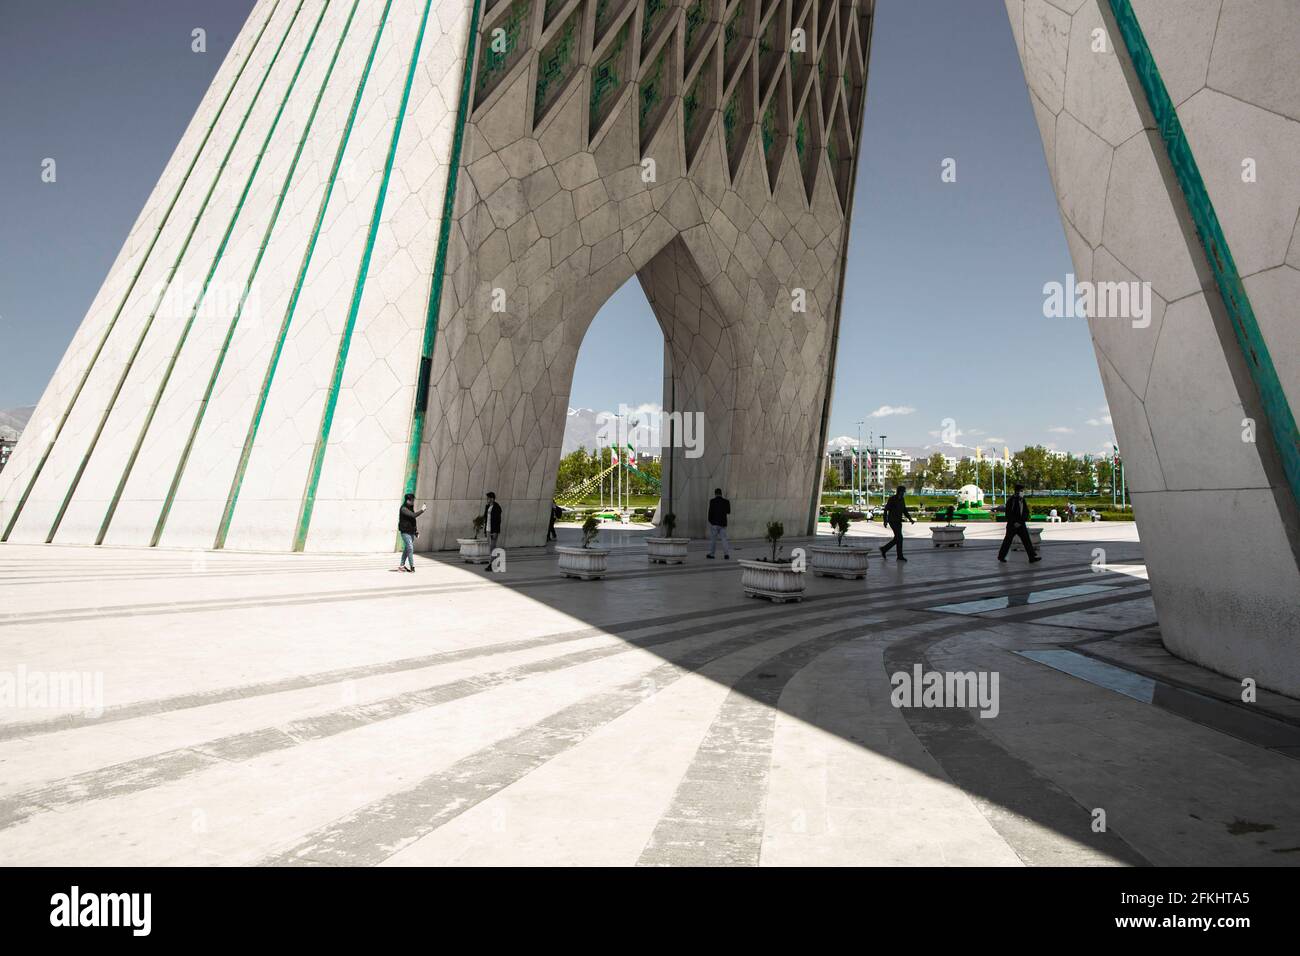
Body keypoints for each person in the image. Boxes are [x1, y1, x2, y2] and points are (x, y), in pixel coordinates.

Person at [998, 483, 1041, 563]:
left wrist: (1021, 521)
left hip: (1021, 525)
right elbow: (1009, 513)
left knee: (1026, 540)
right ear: (1017, 491)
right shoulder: (1011, 500)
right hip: (1012, 525)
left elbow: (1025, 512)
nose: (1023, 492)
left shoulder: (1022, 500)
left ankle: (1032, 557)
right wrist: (1014, 522)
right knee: (1007, 541)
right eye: (1021, 490)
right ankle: (1001, 556)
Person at [879, 485, 914, 561]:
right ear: (899, 491)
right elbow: (886, 510)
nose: (903, 493)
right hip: (892, 521)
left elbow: (904, 510)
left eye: (904, 492)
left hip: (898, 521)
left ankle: (884, 549)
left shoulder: (902, 499)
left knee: (898, 538)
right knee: (899, 538)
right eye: (902, 492)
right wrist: (885, 520)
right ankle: (899, 555)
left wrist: (910, 518)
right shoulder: (892, 499)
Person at [397, 493, 424, 573]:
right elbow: (413, 516)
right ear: (408, 500)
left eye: (413, 501)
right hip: (405, 532)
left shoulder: (410, 507)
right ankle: (412, 566)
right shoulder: (403, 508)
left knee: (407, 549)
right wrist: (422, 510)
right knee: (410, 548)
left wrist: (416, 531)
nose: (413, 502)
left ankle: (401, 566)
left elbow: (413, 520)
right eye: (412, 501)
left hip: (411, 531)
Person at [706, 488, 731, 559]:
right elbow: (728, 511)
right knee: (724, 539)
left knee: (713, 540)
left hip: (714, 523)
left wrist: (710, 521)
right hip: (723, 523)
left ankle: (712, 554)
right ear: (721, 493)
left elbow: (710, 512)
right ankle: (726, 554)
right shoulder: (726, 501)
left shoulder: (712, 501)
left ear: (715, 494)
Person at [483, 491, 503, 571]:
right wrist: (485, 530)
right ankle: (494, 563)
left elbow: (498, 521)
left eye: (488, 498)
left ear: (492, 498)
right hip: (488, 529)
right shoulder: (487, 506)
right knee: (491, 548)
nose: (487, 499)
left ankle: (491, 565)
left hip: (493, 530)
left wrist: (495, 532)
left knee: (492, 548)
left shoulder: (497, 507)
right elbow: (486, 518)